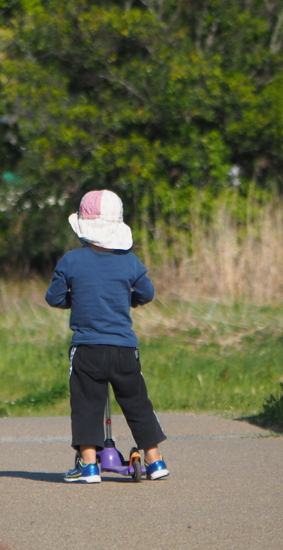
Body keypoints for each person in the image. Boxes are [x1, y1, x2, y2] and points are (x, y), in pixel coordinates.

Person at [45, 189, 169, 483]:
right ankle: (154, 460)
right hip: (124, 348)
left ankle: (88, 465)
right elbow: (147, 293)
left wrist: (79, 299)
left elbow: (54, 297)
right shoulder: (130, 262)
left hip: (87, 348)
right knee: (137, 402)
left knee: (87, 404)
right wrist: (128, 299)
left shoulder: (70, 261)